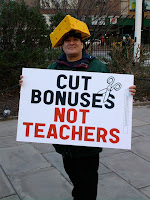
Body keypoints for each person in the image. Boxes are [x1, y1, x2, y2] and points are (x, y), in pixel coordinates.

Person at [19, 16, 136, 200]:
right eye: (67, 40)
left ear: (82, 45)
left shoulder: (98, 68)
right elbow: (42, 98)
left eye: (75, 40)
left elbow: (111, 99)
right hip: (64, 143)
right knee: (77, 180)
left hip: (89, 145)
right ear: (62, 45)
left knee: (87, 186)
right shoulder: (53, 69)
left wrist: (126, 95)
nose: (71, 43)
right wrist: (28, 87)